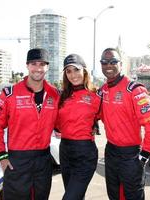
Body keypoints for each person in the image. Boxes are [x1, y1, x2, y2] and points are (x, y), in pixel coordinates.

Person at [0, 48, 59, 200]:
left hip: (44, 160)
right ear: (27, 66)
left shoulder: (55, 94)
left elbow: (62, 120)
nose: (38, 68)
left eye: (42, 64)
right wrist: (1, 156)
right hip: (17, 161)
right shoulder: (10, 93)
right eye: (34, 63)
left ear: (47, 67)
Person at [99, 48, 150, 200]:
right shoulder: (103, 90)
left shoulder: (134, 89)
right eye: (104, 62)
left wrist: (144, 156)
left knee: (133, 196)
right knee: (113, 195)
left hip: (131, 155)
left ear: (121, 64)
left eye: (113, 61)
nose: (109, 65)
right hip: (111, 152)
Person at [57, 54, 101, 199]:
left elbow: (111, 118)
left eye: (76, 69)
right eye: (68, 71)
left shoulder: (96, 96)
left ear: (84, 71)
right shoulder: (62, 96)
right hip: (65, 151)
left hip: (85, 153)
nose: (73, 75)